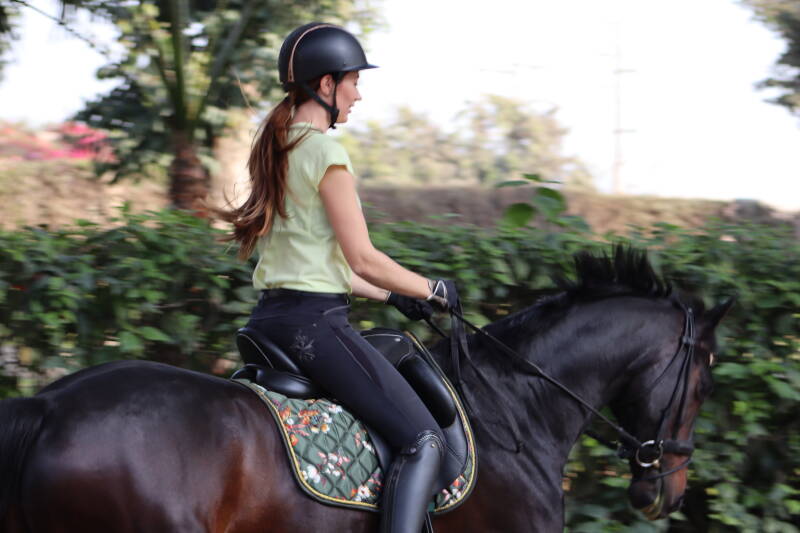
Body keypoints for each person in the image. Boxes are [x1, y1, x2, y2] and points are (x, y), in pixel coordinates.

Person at [216, 22, 459, 533]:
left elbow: (328, 268)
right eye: (352, 81)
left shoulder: (279, 148)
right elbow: (363, 257)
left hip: (271, 321)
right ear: (325, 85)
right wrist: (432, 289)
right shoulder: (326, 153)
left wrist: (395, 294)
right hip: (313, 328)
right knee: (424, 442)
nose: (358, 93)